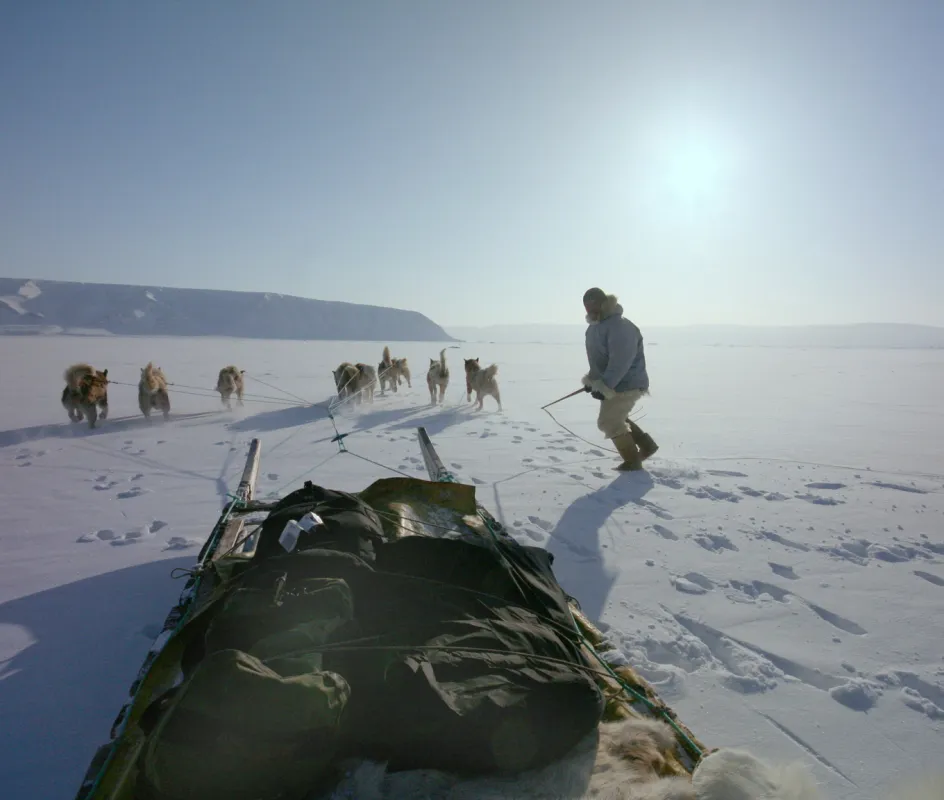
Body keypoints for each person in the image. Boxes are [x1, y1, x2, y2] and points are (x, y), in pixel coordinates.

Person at [581, 287, 659, 471]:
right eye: (587, 307)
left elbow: (621, 361)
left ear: (603, 303)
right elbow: (598, 360)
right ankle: (647, 446)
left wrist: (605, 385)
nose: (590, 310)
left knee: (609, 421)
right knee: (617, 418)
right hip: (613, 384)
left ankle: (633, 463)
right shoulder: (594, 328)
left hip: (628, 383)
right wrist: (592, 381)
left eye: (594, 305)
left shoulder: (620, 327)